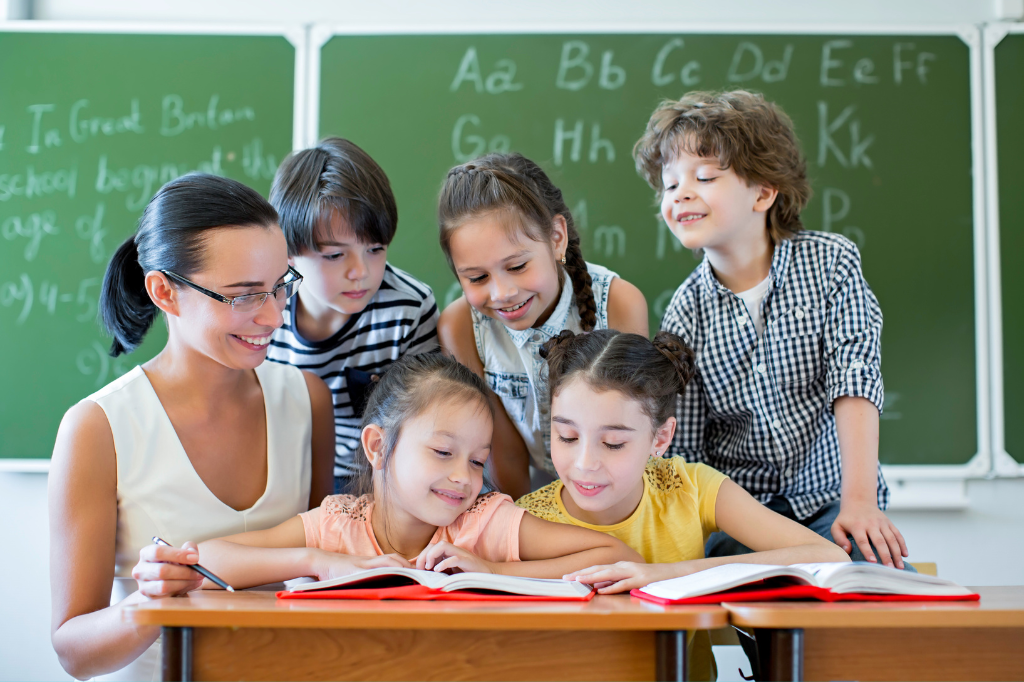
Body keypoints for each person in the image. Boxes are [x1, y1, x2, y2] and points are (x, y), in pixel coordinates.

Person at [48, 174, 334, 681]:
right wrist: (149, 606)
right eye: (244, 295)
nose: (272, 317)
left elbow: (320, 581)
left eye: (280, 287)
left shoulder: (307, 400)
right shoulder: (97, 428)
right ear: (164, 292)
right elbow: (75, 653)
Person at [632, 90, 910, 569]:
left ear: (763, 192)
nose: (680, 194)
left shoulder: (831, 263)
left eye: (704, 177)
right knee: (774, 610)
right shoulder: (684, 314)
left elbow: (855, 378)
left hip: (833, 502)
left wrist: (859, 501)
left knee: (870, 591)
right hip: (742, 518)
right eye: (669, 184)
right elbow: (688, 452)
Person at [517, 329, 850, 681]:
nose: (585, 462)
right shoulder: (525, 522)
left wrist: (669, 574)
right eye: (566, 437)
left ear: (660, 438)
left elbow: (827, 555)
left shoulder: (689, 486)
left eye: (613, 443)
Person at [195, 353, 641, 586]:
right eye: (443, 452)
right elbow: (205, 559)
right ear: (377, 445)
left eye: (477, 461)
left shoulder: (484, 523)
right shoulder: (337, 526)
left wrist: (493, 572)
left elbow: (617, 557)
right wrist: (318, 562)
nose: (463, 479)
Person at [436, 152, 648, 498]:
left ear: (556, 237)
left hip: (613, 490)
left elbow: (630, 438)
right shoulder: (460, 327)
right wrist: (526, 531)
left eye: (518, 266)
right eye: (477, 277)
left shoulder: (619, 304)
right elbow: (502, 449)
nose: (502, 293)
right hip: (528, 493)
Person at [267, 138, 439, 495]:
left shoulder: (409, 307)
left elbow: (422, 420)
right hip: (283, 470)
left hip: (372, 477)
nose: (360, 271)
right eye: (334, 256)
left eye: (375, 250)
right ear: (289, 254)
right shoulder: (265, 308)